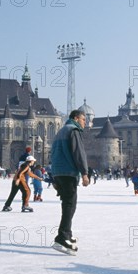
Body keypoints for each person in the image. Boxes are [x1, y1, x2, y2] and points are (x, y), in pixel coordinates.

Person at [50, 109, 89, 255]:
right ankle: (62, 237)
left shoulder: (60, 132)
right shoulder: (73, 130)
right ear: (76, 118)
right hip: (68, 173)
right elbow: (79, 153)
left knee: (67, 204)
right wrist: (84, 173)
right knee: (69, 205)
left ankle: (67, 234)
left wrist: (53, 175)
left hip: (59, 172)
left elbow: (52, 154)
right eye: (84, 119)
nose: (85, 122)